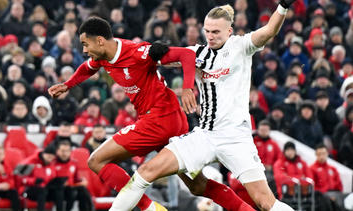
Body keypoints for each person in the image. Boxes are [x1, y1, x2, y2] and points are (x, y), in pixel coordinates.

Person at [110, 1, 297, 211]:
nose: (210, 36)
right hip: (205, 135)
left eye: (216, 31)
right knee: (146, 171)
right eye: (207, 31)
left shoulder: (242, 46)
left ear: (229, 31)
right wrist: (134, 51)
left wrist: (282, 6)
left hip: (236, 138)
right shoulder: (195, 53)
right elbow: (153, 57)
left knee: (265, 202)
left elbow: (269, 30)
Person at [48, 16, 195, 211]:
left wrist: (187, 89)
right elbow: (86, 68)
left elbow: (186, 55)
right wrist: (68, 85)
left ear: (100, 40)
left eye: (85, 44)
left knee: (96, 160)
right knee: (198, 184)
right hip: (167, 117)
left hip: (158, 119)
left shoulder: (136, 52)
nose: (83, 50)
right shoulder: (103, 57)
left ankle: (150, 208)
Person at [54, 141, 93, 211]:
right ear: (57, 151)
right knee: (70, 192)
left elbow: (75, 178)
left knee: (83, 191)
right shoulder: (53, 163)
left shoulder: (73, 163)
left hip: (71, 188)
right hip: (57, 190)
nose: (65, 153)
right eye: (63, 151)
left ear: (70, 152)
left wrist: (81, 181)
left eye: (67, 151)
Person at [310, 144, 344, 211]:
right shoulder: (312, 169)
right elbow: (313, 187)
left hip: (335, 195)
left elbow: (339, 186)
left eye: (323, 153)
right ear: (316, 155)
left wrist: (334, 195)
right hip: (321, 197)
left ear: (327, 154)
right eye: (319, 154)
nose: (321, 156)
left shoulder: (332, 169)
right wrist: (327, 195)